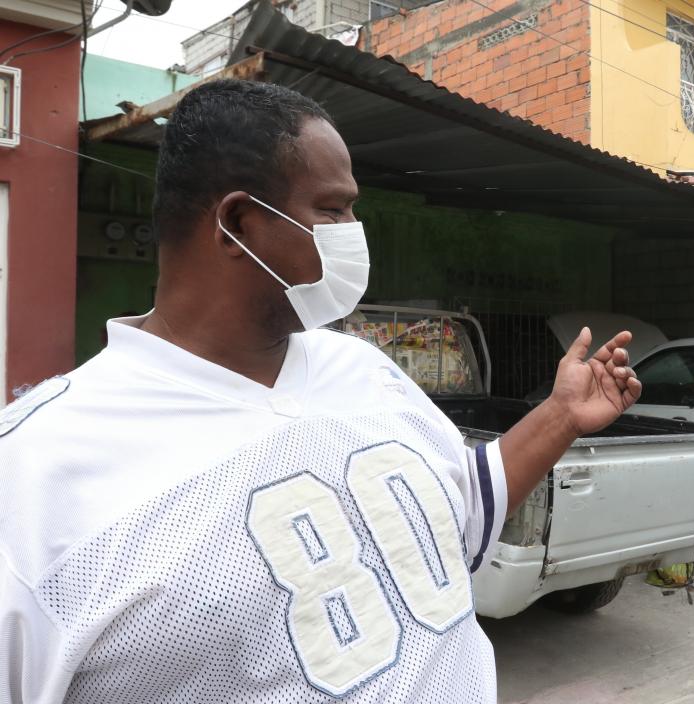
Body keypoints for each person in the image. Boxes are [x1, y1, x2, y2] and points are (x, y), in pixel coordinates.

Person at [0, 80, 641, 702]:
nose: (354, 230)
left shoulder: (360, 368)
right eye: (333, 209)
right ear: (238, 224)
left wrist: (560, 416)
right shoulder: (34, 474)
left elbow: (462, 510)